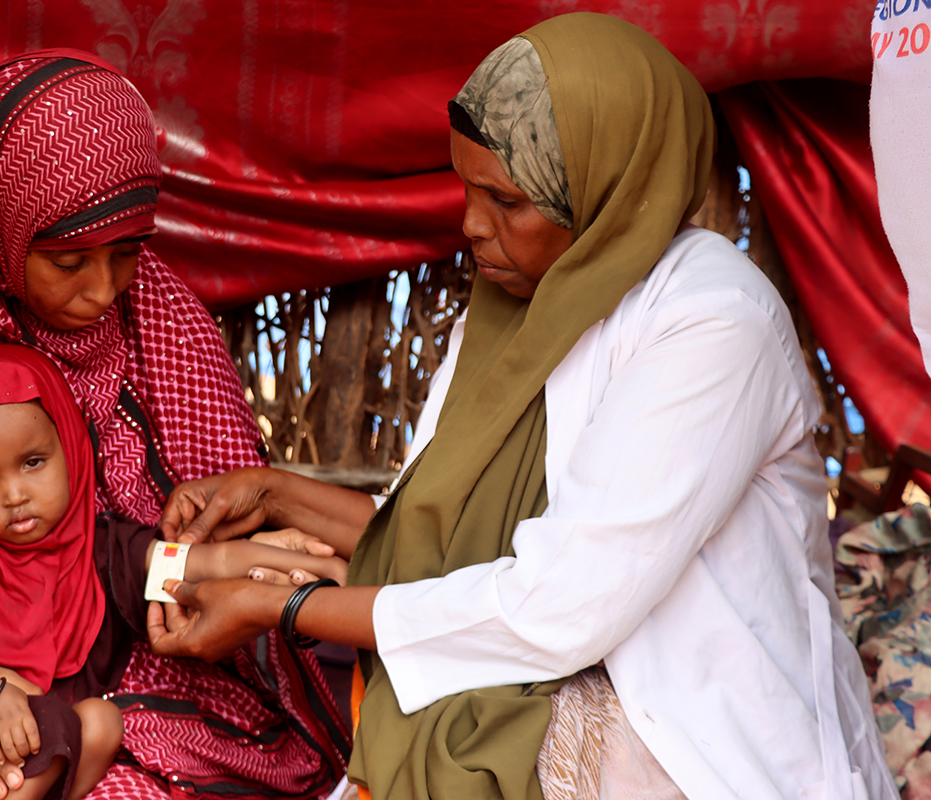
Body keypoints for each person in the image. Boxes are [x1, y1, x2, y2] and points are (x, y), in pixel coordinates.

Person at [146, 14, 897, 800]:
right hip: (551, 682)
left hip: (692, 739)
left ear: (604, 186)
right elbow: (453, 546)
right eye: (468, 190)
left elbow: (559, 603)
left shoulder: (712, 323)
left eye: (507, 200)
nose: (473, 225)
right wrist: (273, 493)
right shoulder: (518, 309)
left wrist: (285, 606)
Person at [0, 51, 348, 800]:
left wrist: (282, 562)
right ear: (1, 231)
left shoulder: (165, 324)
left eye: (124, 254)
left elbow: (177, 562)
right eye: (68, 261)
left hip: (171, 677)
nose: (102, 290)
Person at [0, 344, 346, 800]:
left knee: (102, 722)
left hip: (49, 745)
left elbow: (205, 562)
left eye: (32, 463)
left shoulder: (106, 551)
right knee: (59, 723)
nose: (13, 495)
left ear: (71, 451)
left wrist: (319, 566)